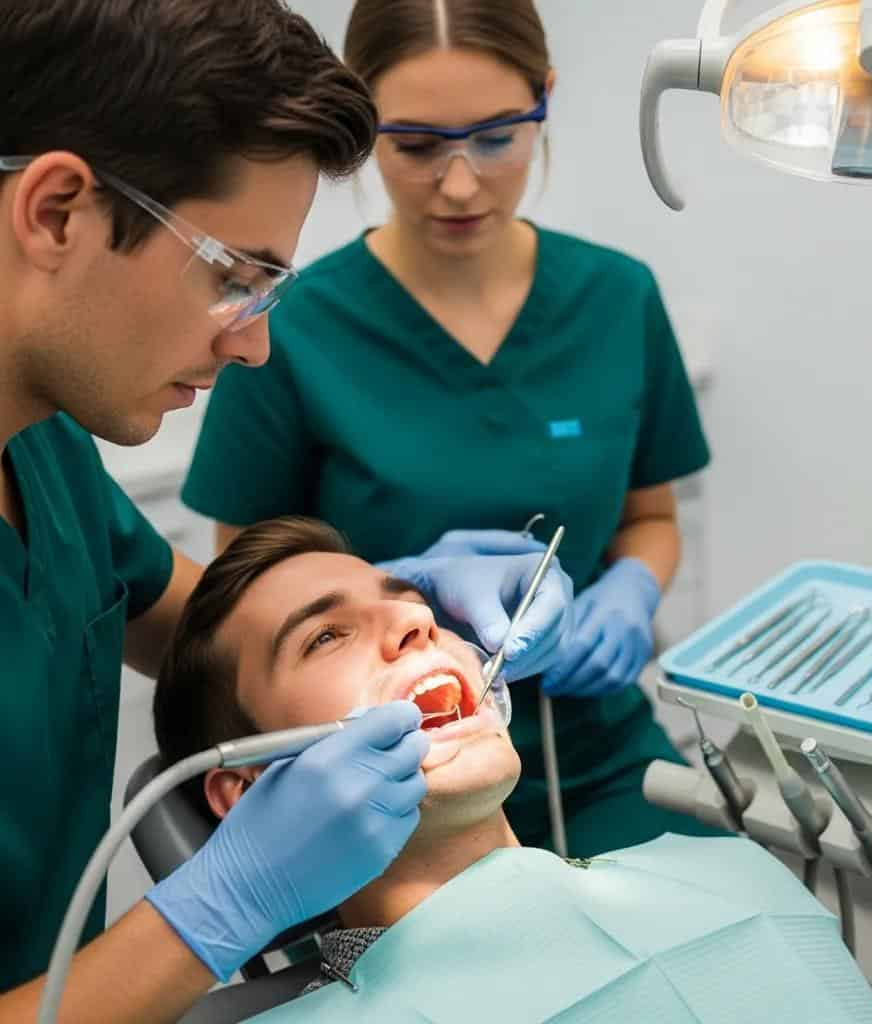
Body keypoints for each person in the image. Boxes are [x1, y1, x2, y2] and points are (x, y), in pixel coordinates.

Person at [0, 3, 572, 1020]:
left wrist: (386, 597)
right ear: (55, 214)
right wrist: (222, 902)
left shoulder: (43, 450)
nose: (253, 345)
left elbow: (194, 627)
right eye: (234, 277)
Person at [182, 0, 715, 857]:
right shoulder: (294, 327)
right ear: (362, 125)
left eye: (498, 137)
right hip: (396, 776)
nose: (460, 183)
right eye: (417, 145)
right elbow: (245, 588)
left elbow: (649, 519)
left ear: (546, 100)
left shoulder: (617, 298)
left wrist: (631, 595)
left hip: (599, 751)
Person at [152, 516, 872, 1023]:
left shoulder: (735, 876)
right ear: (249, 787)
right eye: (325, 638)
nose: (417, 624)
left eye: (411, 604)